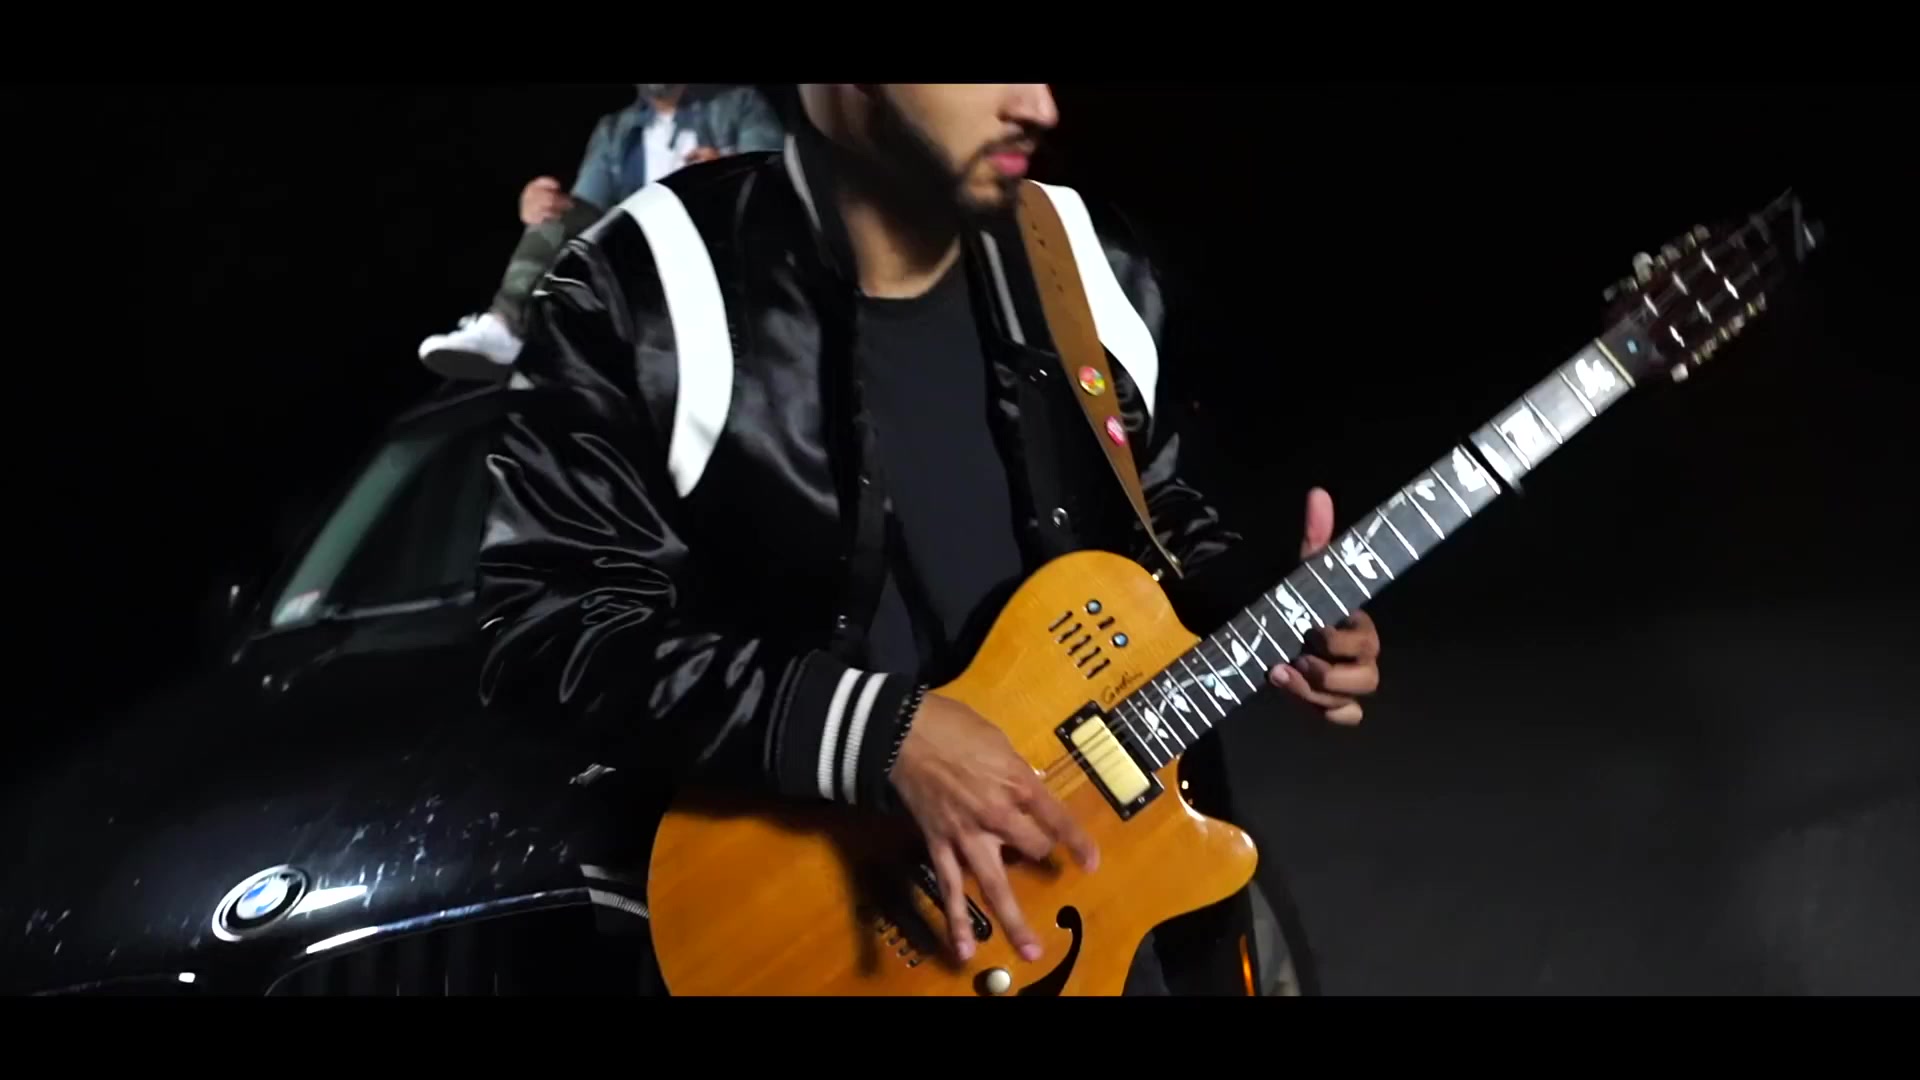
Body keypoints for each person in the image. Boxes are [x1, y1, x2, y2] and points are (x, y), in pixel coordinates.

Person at [474, 84, 1383, 995]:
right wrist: (877, 736)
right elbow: (548, 633)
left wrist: (1261, 604)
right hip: (823, 952)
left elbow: (1155, 513)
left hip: (1115, 929)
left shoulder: (1079, 254)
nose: (1040, 105)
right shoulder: (649, 285)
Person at [418, 83, 784, 381]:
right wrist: (543, 208)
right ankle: (505, 326)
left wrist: (727, 170)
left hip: (712, 252)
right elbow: (584, 211)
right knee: (557, 216)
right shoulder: (616, 129)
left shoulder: (739, 104)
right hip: (636, 261)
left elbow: (775, 175)